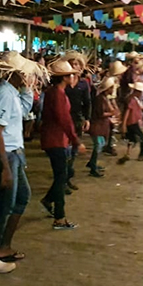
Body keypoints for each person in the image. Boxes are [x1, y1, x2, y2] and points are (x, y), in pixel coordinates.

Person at [0, 51, 46, 274]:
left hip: (12, 152)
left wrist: (28, 89)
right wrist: (5, 169)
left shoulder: (11, 92)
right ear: (15, 73)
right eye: (25, 74)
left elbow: (24, 111)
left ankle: (2, 246)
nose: (27, 76)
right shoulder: (4, 94)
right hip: (6, 154)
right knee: (5, 204)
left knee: (21, 197)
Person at [40, 60, 86, 230]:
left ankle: (48, 201)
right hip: (56, 140)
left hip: (56, 139)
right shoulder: (57, 94)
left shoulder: (56, 92)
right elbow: (64, 119)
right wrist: (76, 140)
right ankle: (59, 217)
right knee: (60, 177)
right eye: (71, 74)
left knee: (62, 175)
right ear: (65, 77)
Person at [62, 52, 91, 193]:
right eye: (72, 64)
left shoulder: (83, 84)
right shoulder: (64, 83)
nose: (74, 66)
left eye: (77, 64)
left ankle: (67, 178)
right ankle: (63, 180)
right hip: (64, 119)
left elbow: (87, 103)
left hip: (77, 119)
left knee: (73, 151)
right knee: (64, 151)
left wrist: (87, 118)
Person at [88, 77, 117, 177]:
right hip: (98, 125)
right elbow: (100, 113)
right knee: (98, 146)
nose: (113, 90)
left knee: (99, 145)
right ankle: (93, 167)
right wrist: (111, 113)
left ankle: (92, 163)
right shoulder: (100, 99)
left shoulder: (103, 98)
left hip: (101, 125)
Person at [119, 82, 143, 163]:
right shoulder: (132, 100)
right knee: (142, 137)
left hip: (131, 122)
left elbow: (139, 107)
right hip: (132, 122)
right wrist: (123, 124)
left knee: (131, 138)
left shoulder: (133, 99)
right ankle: (142, 154)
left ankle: (127, 154)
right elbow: (127, 112)